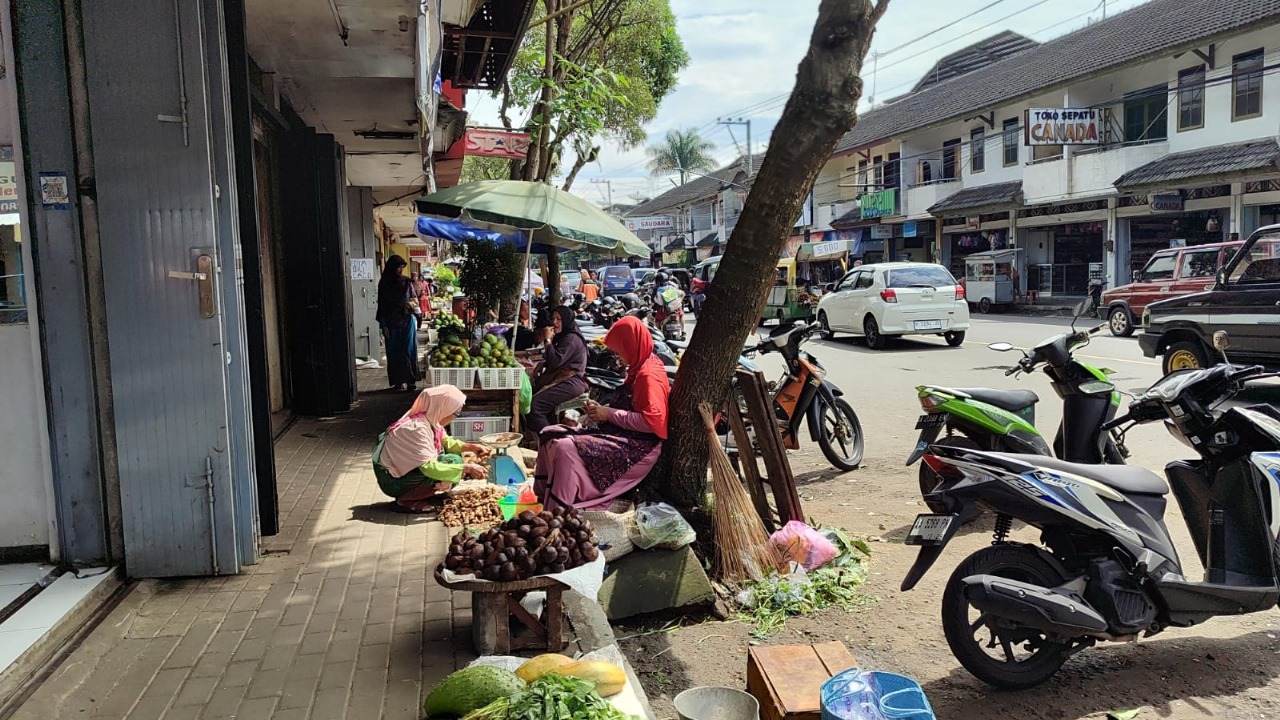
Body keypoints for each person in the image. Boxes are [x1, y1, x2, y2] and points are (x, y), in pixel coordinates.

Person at [534, 316, 670, 511]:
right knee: (550, 433)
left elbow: (651, 423)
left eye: (619, 351)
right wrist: (600, 411)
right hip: (623, 434)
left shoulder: (648, 376)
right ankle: (543, 500)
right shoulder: (639, 366)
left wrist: (608, 414)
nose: (617, 357)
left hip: (639, 448)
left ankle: (557, 512)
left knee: (564, 448)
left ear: (630, 345)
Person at [374, 385, 492, 512]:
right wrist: (466, 468)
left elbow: (446, 441)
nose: (455, 417)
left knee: (453, 460)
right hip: (392, 480)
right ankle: (406, 500)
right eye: (456, 412)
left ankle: (424, 493)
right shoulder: (416, 429)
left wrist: (470, 447)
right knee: (453, 466)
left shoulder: (430, 420)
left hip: (406, 473)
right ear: (443, 408)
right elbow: (429, 468)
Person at [527, 306, 589, 434]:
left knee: (535, 406)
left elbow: (555, 361)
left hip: (572, 382)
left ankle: (552, 439)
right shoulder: (564, 337)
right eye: (553, 318)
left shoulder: (571, 338)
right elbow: (552, 359)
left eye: (559, 319)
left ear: (566, 320)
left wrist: (548, 340)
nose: (554, 322)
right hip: (564, 379)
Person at [377, 255, 420, 391]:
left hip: (407, 321)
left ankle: (411, 381)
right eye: (398, 267)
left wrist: (412, 305)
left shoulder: (407, 282)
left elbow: (415, 299)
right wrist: (383, 326)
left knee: (408, 350)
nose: (400, 270)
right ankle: (398, 382)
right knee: (394, 352)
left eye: (402, 267)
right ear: (391, 268)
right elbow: (382, 306)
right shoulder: (384, 284)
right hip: (391, 323)